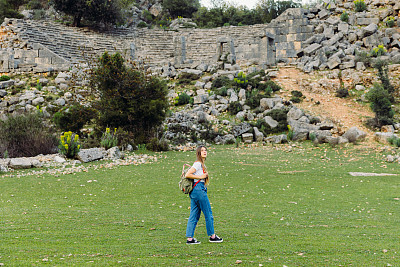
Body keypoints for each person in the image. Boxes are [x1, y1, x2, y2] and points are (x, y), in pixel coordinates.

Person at [185, 145, 223, 244]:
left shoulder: (201, 164)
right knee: (208, 213)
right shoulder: (198, 164)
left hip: (194, 191)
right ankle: (212, 236)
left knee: (194, 214)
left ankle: (190, 238)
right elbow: (188, 174)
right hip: (199, 190)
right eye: (202, 150)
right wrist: (201, 176)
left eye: (205, 150)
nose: (204, 152)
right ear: (198, 153)